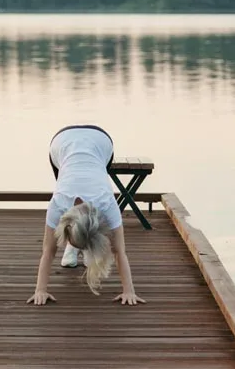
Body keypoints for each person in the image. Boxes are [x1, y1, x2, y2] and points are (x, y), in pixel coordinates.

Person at [27, 124, 146, 306]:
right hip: (60, 144)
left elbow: (119, 251)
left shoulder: (107, 203)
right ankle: (74, 244)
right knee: (64, 178)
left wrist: (129, 291)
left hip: (101, 141)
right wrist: (40, 290)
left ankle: (79, 240)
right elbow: (49, 251)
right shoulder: (58, 203)